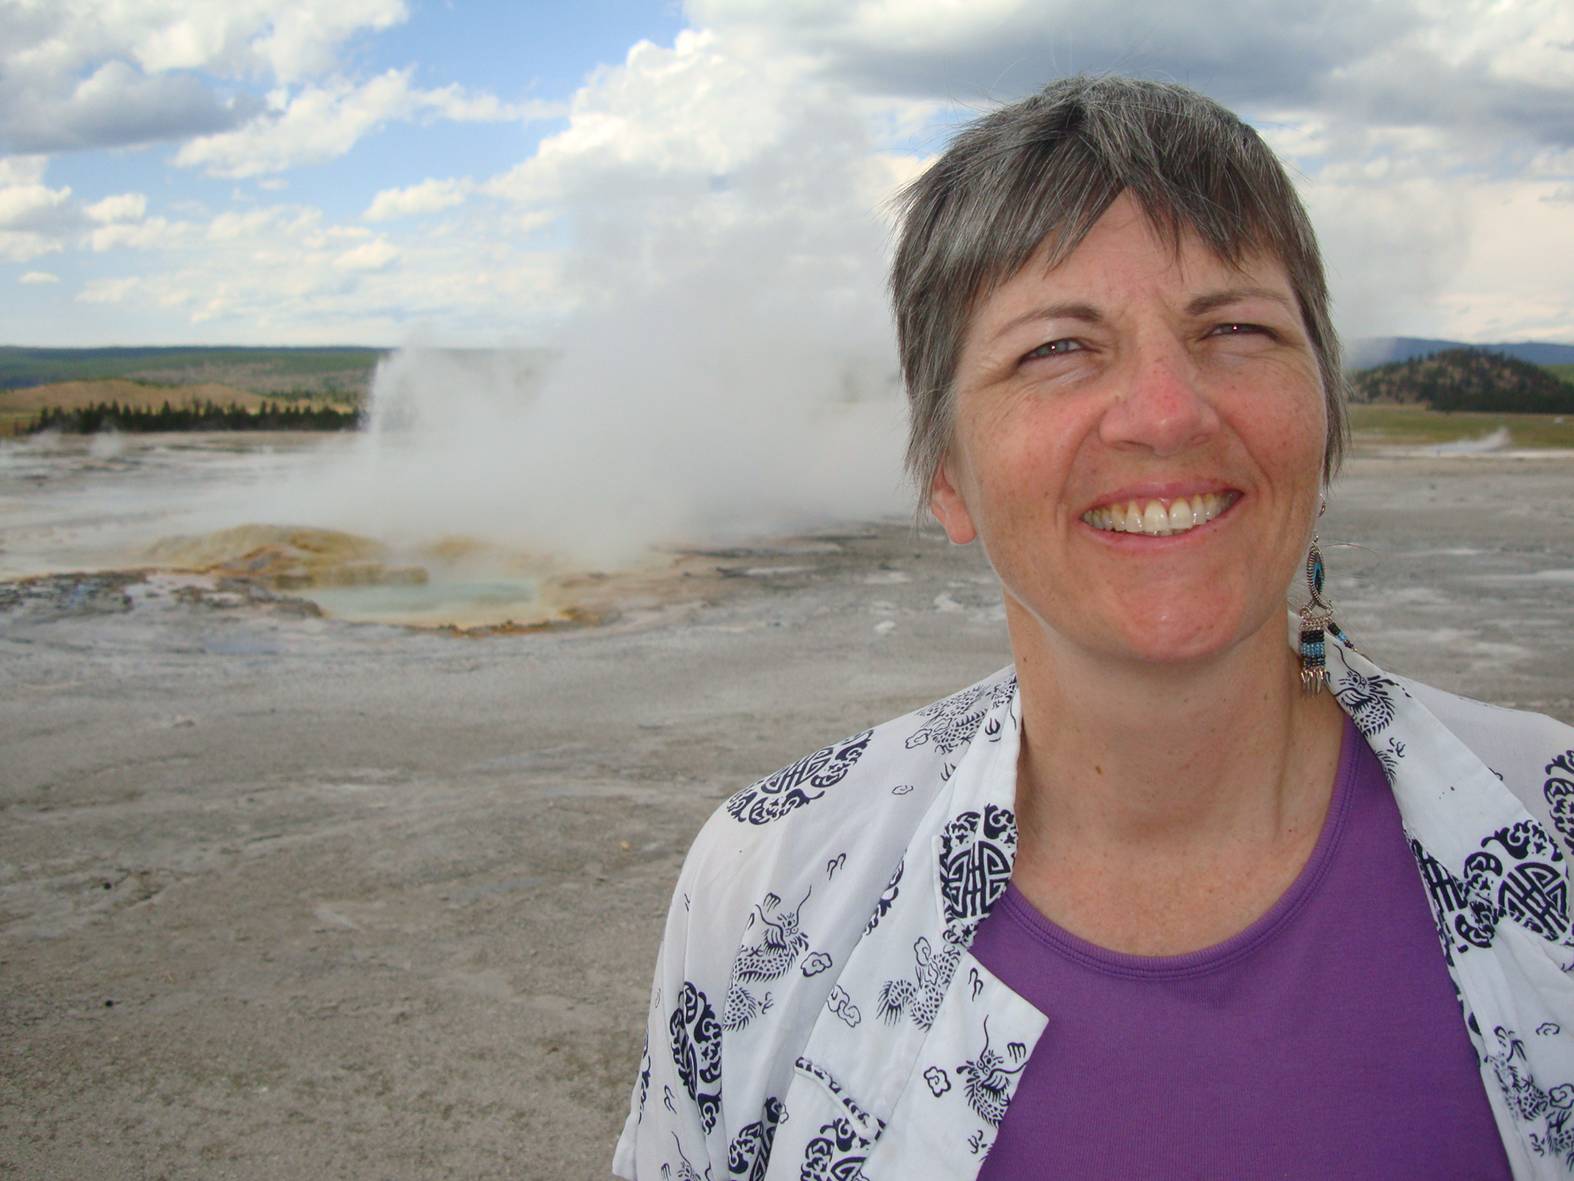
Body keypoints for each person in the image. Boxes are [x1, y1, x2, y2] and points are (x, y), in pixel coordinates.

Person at [612, 75, 1574, 1180]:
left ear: (1324, 417)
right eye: (1056, 348)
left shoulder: (1544, 819)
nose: (1166, 412)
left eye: (1234, 328)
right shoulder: (774, 880)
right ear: (945, 474)